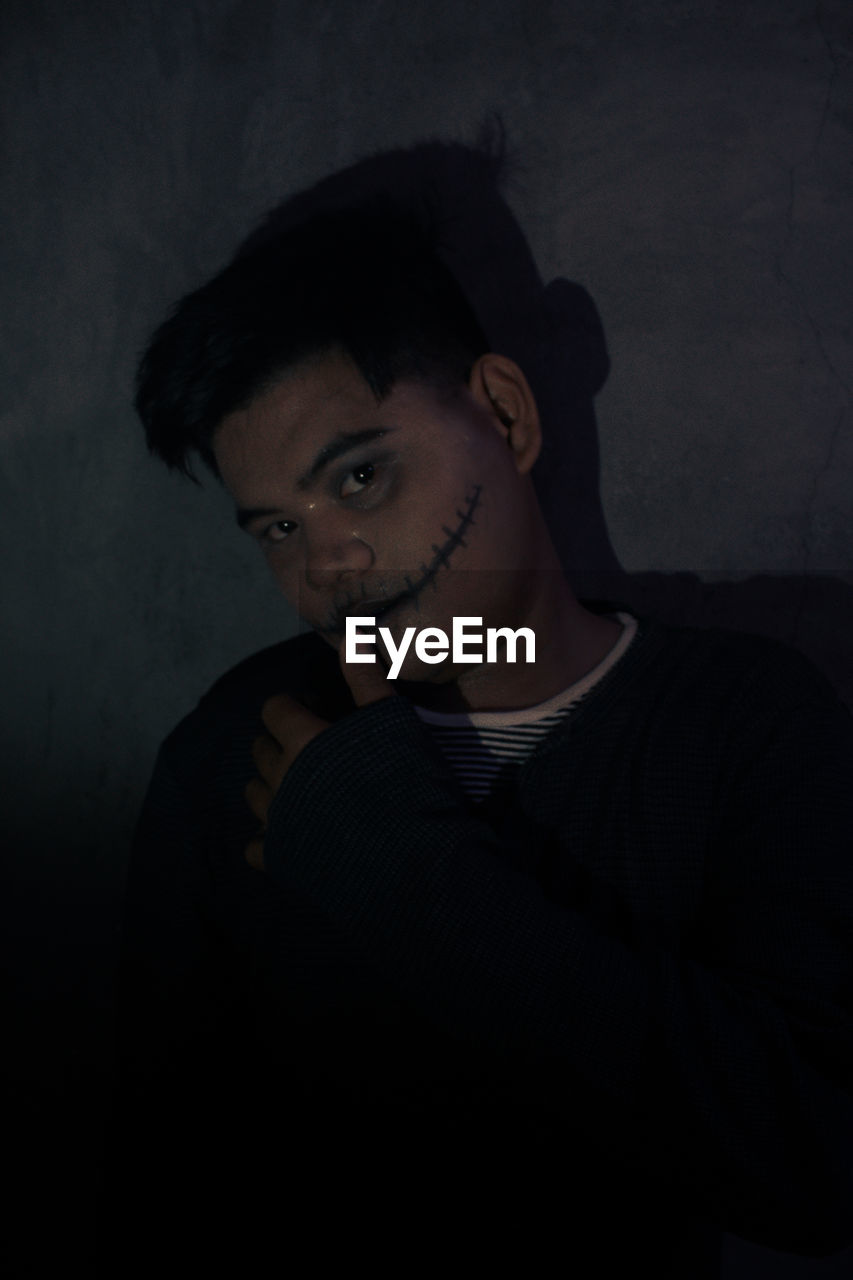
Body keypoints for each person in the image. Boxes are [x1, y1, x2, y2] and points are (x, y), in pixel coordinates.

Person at [109, 169, 853, 1277]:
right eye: (274, 526)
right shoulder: (236, 746)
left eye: (359, 476)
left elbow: (814, 1162)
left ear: (504, 412)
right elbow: (163, 1178)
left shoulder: (743, 719)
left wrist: (410, 878)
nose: (323, 566)